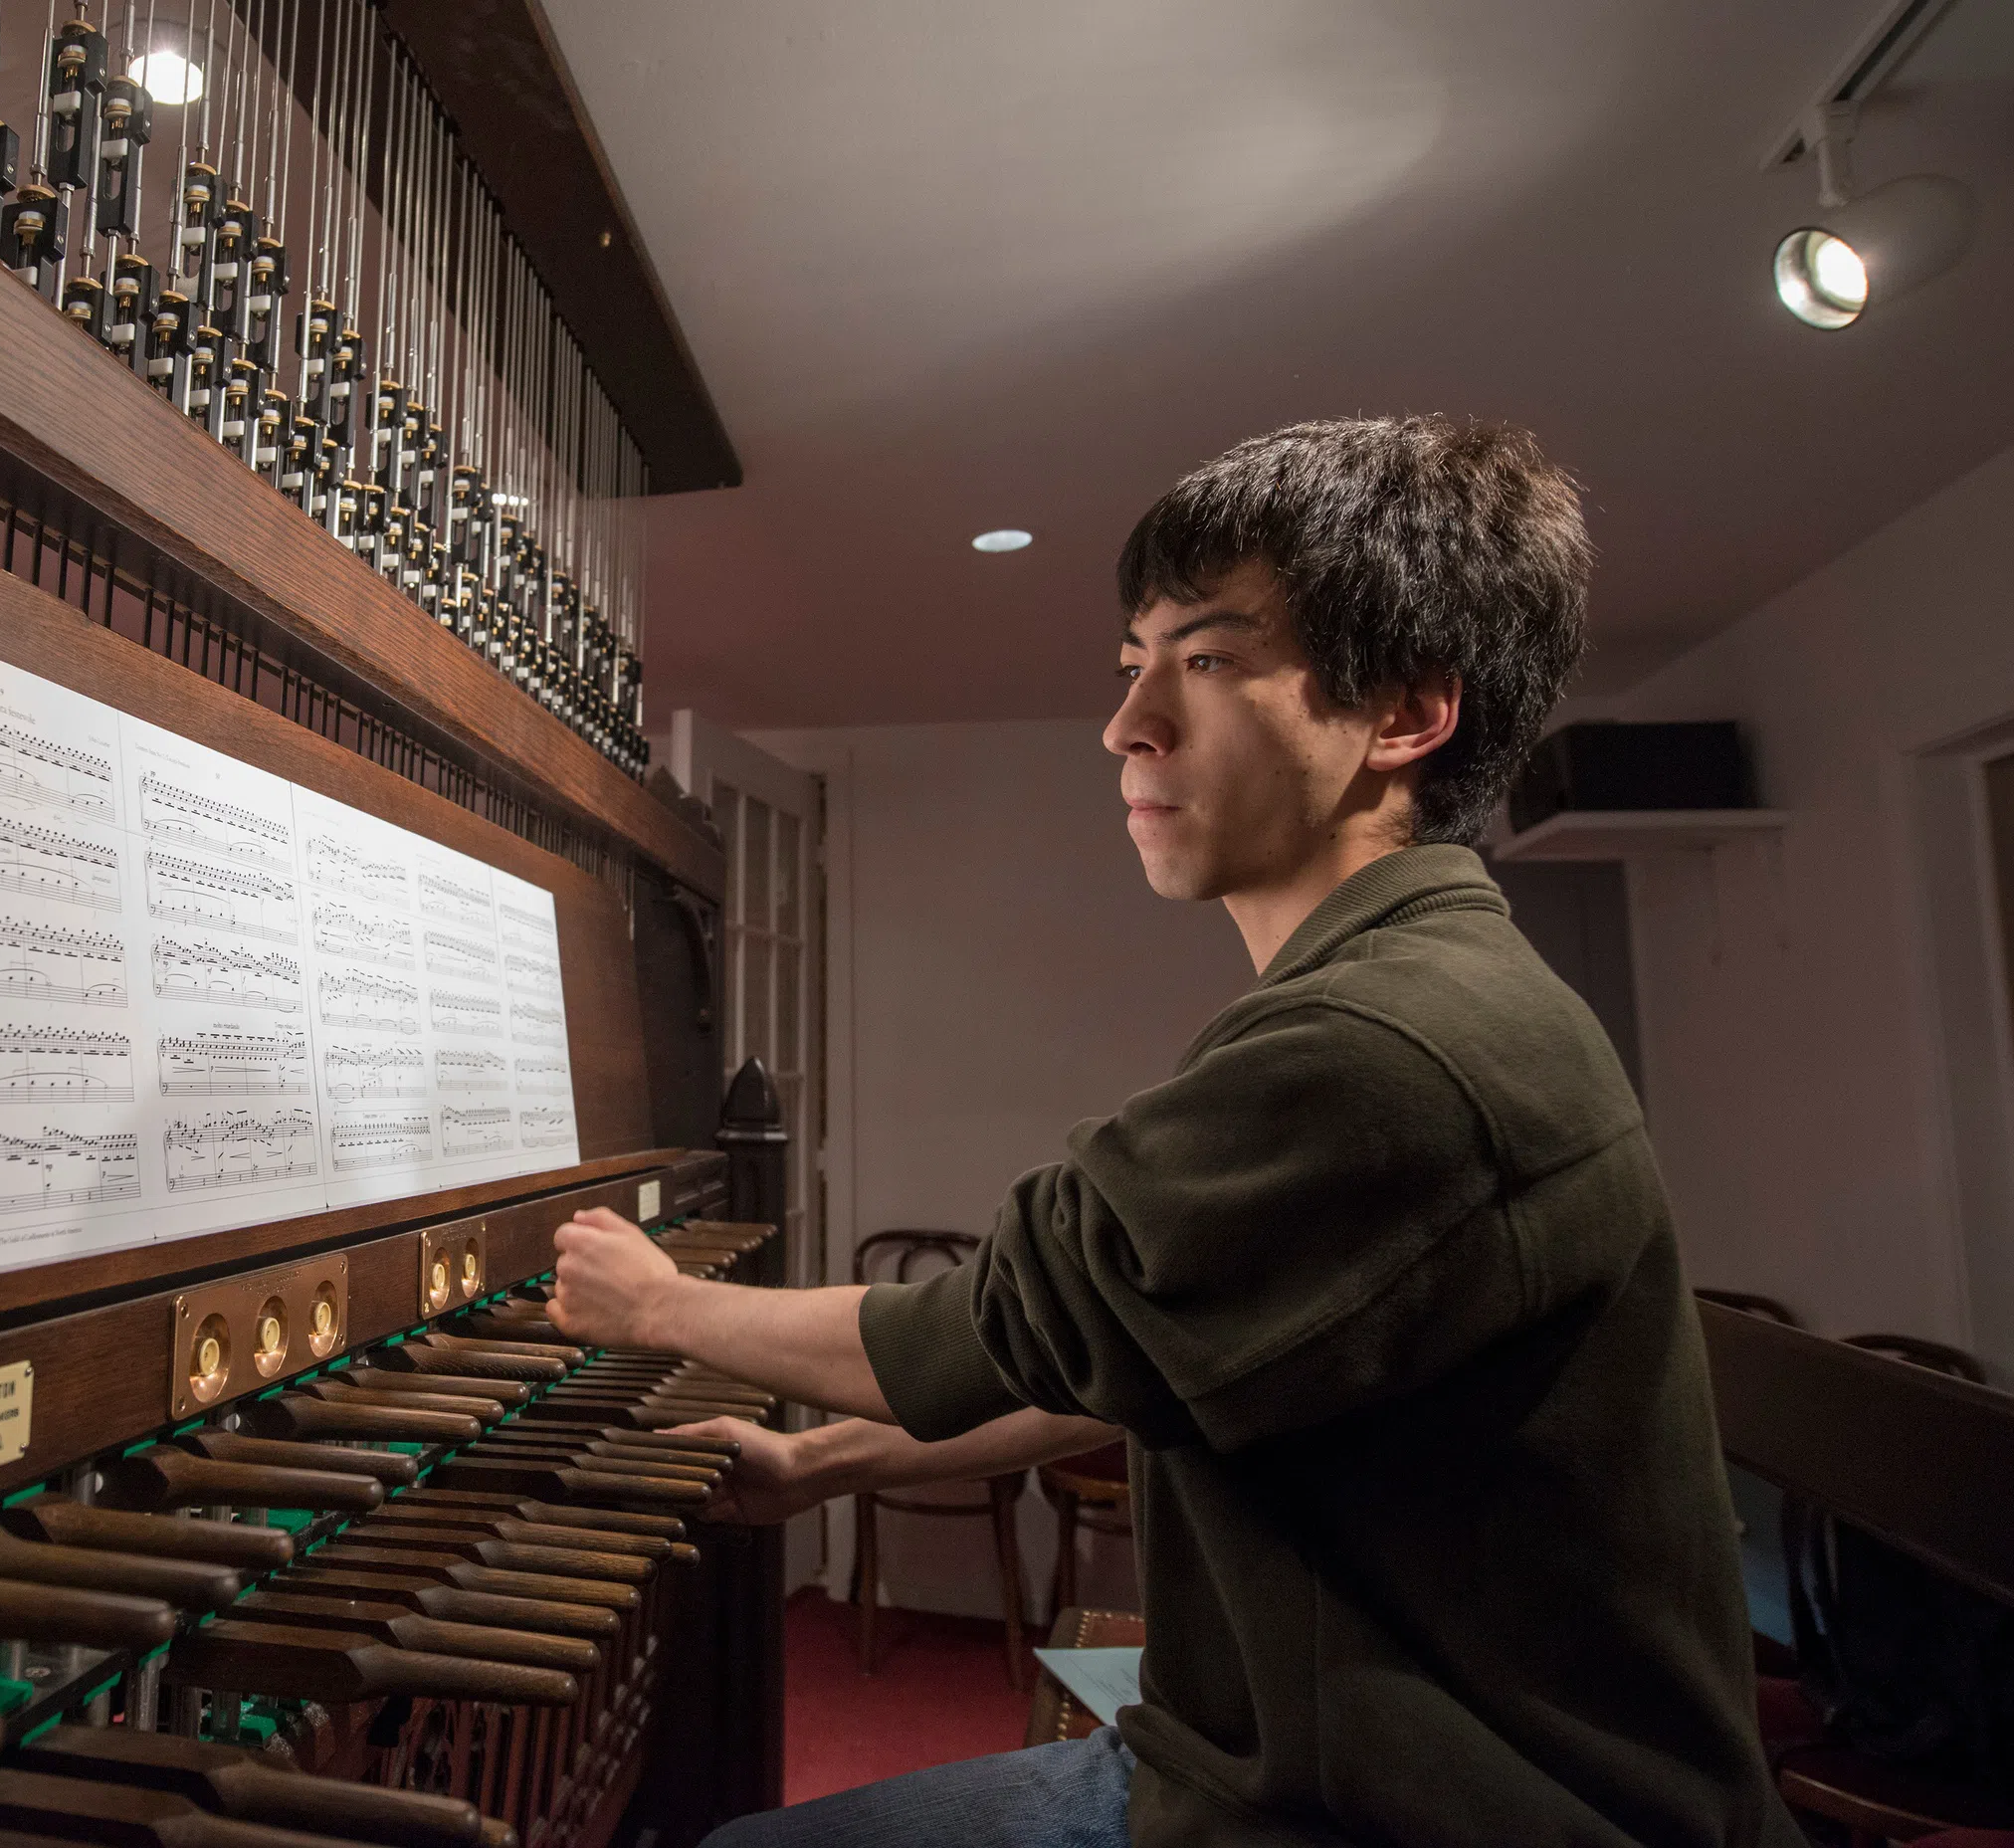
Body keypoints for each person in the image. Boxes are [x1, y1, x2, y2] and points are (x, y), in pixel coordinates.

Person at [549, 418, 1802, 1847]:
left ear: (1404, 714)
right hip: (1276, 1763)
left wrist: (655, 1303)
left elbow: (1008, 1325)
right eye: (1132, 660)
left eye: (1204, 659)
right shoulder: (1413, 991)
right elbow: (1156, 1354)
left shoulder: (1386, 1047)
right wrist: (833, 1462)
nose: (1128, 721)